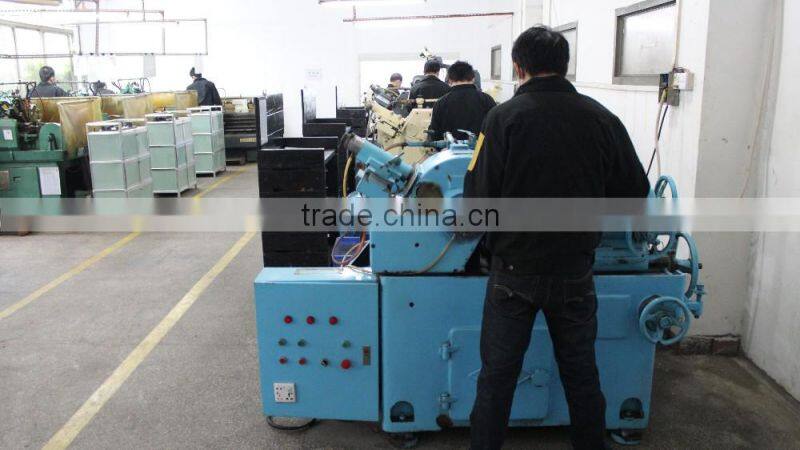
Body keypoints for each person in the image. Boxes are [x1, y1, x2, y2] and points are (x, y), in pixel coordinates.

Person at [464, 26, 650, 450]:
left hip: (513, 273)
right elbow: (635, 192)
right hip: (574, 271)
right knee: (581, 375)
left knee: (497, 379)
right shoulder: (602, 118)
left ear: (518, 67)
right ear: (566, 65)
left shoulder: (501, 119)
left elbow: (477, 202)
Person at [428, 61, 496, 141]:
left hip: (449, 148)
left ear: (449, 80)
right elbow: (495, 129)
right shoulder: (487, 100)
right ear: (473, 78)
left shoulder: (441, 103)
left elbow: (435, 134)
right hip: (482, 148)